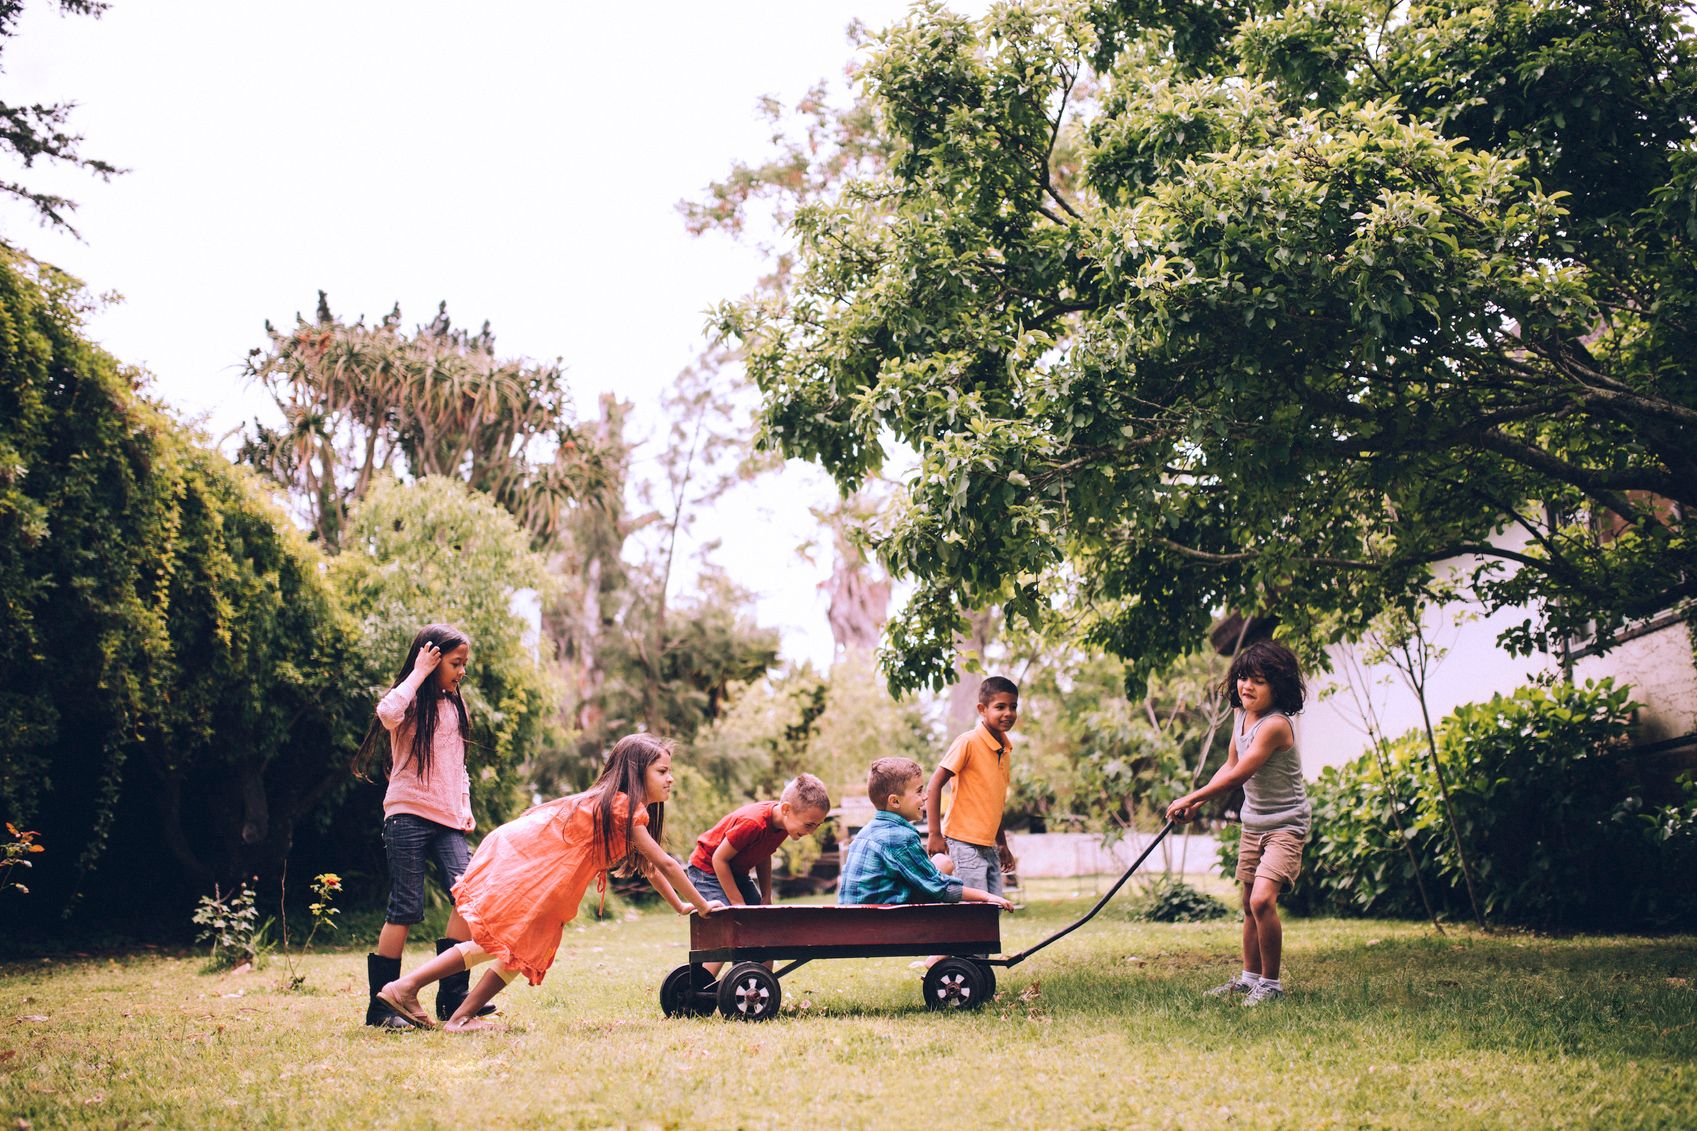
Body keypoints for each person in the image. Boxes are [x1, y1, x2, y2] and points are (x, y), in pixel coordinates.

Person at [376, 733, 721, 1032]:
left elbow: (650, 867)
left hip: (546, 876)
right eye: (662, 771)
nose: (670, 778)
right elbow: (665, 862)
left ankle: (460, 1019)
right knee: (494, 943)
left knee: (519, 951)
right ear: (636, 772)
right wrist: (703, 906)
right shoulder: (622, 806)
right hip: (532, 868)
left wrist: (680, 905)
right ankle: (405, 986)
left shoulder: (622, 807)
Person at [351, 623, 489, 1030]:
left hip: (449, 819)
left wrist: (464, 806)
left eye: (464, 664)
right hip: (408, 813)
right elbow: (387, 712)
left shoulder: (454, 706)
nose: (461, 671)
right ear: (432, 658)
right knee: (406, 908)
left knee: (468, 898)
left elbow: (457, 766)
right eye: (455, 663)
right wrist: (419, 671)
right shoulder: (410, 701)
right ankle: (382, 1008)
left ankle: (453, 997)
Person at [1166, 639, 1311, 1006]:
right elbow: (1229, 764)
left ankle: (1272, 986)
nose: (1247, 687)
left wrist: (1193, 797)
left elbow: (1240, 775)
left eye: (1258, 681)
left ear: (1277, 687)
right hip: (1253, 823)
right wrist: (1197, 802)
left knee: (1263, 900)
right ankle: (1249, 980)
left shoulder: (1276, 725)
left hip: (1285, 825)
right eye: (1244, 678)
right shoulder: (1240, 713)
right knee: (1248, 902)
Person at [840, 757, 1013, 909]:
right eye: (918, 791)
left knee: (940, 862)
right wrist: (987, 896)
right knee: (943, 864)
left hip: (855, 924)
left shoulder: (866, 832)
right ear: (894, 801)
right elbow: (939, 887)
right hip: (883, 927)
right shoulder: (899, 837)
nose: (925, 797)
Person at [925, 676, 1020, 905]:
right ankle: (964, 943)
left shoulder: (1004, 750)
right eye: (1000, 707)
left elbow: (995, 803)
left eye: (1013, 707)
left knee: (993, 906)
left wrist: (1002, 844)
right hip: (963, 841)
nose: (1008, 713)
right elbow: (934, 784)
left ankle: (988, 944)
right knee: (973, 910)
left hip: (989, 845)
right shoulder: (968, 742)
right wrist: (934, 833)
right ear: (982, 709)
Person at [687, 774, 832, 908]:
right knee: (730, 919)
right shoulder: (753, 823)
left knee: (760, 917)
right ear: (786, 809)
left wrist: (766, 896)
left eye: (817, 826)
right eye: (808, 825)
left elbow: (763, 855)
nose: (812, 832)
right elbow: (719, 859)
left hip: (736, 873)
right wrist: (737, 902)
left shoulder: (783, 825)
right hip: (707, 870)